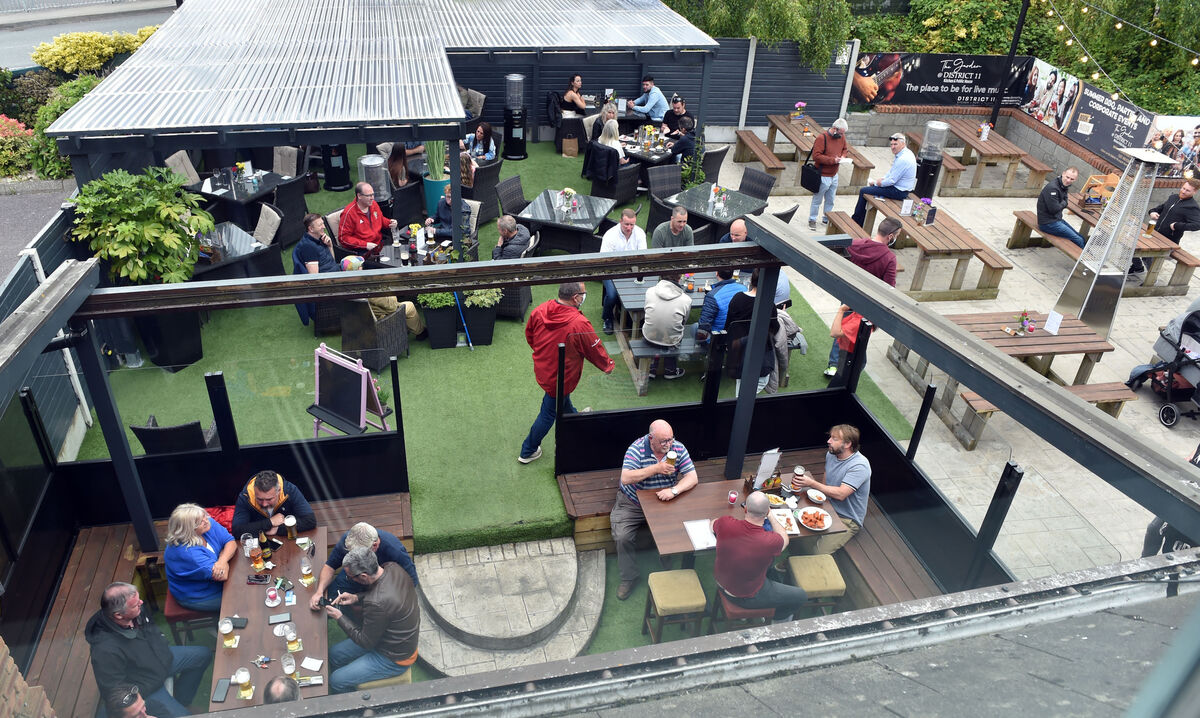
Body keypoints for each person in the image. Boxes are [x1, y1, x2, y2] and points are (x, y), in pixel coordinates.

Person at [518, 282, 614, 463]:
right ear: (575, 298)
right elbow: (593, 347)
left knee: (562, 401)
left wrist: (543, 354)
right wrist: (607, 365)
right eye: (584, 293)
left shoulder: (540, 310)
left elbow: (530, 335)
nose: (585, 296)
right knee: (548, 412)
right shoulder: (579, 323)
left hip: (545, 368)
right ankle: (528, 450)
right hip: (562, 375)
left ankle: (576, 420)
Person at [86, 583, 211, 718]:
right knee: (184, 716)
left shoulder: (137, 609)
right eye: (135, 605)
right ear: (118, 615)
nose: (141, 603)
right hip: (147, 686)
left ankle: (182, 702)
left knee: (203, 655)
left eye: (139, 600)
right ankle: (180, 710)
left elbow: (154, 631)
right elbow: (114, 690)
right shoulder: (105, 650)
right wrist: (140, 695)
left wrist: (162, 645)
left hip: (163, 658)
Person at [611, 419, 698, 599]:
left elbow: (692, 477)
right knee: (622, 537)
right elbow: (626, 478)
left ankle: (667, 561)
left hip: (662, 502)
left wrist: (674, 490)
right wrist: (657, 468)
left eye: (670, 439)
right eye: (663, 441)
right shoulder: (637, 449)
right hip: (633, 502)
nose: (668, 444)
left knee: (674, 532)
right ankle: (629, 577)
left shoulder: (677, 449)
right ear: (651, 438)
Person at [322, 547, 420, 693]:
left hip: (395, 657)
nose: (348, 579)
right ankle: (350, 675)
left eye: (350, 577)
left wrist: (339, 617)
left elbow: (365, 641)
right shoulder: (393, 567)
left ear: (363, 576)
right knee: (334, 654)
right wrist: (356, 597)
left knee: (336, 680)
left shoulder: (376, 603)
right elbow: (380, 593)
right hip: (390, 638)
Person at [712, 491, 809, 622]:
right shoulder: (770, 541)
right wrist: (771, 516)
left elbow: (712, 524)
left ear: (745, 508)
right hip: (744, 596)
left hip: (720, 581)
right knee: (801, 596)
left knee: (770, 561)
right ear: (766, 512)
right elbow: (784, 539)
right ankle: (777, 619)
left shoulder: (725, 523)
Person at [793, 424, 871, 554]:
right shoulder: (832, 454)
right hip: (828, 506)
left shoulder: (859, 466)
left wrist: (812, 483)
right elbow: (826, 473)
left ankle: (795, 564)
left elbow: (841, 494)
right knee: (798, 528)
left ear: (847, 444)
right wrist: (820, 497)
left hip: (847, 518)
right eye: (830, 437)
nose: (828, 441)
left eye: (834, 439)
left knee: (818, 553)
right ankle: (791, 561)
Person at [311, 521, 418, 609]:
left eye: (358, 554)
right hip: (352, 575)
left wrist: (361, 597)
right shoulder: (349, 541)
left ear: (375, 546)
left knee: (370, 612)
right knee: (329, 600)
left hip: (381, 585)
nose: (353, 555)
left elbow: (411, 582)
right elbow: (330, 566)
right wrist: (319, 591)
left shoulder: (395, 551)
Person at [163, 503, 236, 612]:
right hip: (199, 596)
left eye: (204, 517)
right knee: (239, 600)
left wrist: (221, 560)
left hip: (213, 581)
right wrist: (223, 554)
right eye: (200, 522)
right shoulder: (188, 554)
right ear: (189, 529)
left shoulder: (207, 525)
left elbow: (230, 541)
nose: (206, 520)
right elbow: (222, 575)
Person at [725, 268, 779, 395]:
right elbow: (774, 329)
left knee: (744, 382)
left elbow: (728, 325)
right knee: (753, 384)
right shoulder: (768, 304)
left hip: (738, 352)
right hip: (757, 351)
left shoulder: (738, 298)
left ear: (751, 280)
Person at [340, 260, 426, 337]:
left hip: (360, 321)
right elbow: (392, 307)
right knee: (410, 306)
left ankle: (408, 328)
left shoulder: (348, 285)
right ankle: (421, 333)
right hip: (380, 321)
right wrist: (389, 290)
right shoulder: (372, 290)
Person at [717, 218, 791, 305]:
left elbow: (758, 265)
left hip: (751, 277)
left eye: (737, 235)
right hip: (732, 276)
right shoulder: (725, 241)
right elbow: (722, 263)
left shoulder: (755, 241)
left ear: (746, 233)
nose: (733, 238)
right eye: (731, 234)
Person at [850, 133, 916, 227]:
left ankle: (856, 222)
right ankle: (859, 220)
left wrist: (876, 183)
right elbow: (892, 173)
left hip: (899, 191)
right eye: (891, 145)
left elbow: (891, 181)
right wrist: (882, 179)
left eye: (895, 144)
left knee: (864, 191)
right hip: (900, 188)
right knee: (871, 189)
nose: (892, 147)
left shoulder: (903, 159)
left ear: (903, 144)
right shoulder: (906, 153)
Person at [599, 209, 647, 335]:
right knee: (612, 294)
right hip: (610, 271)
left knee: (643, 291)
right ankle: (607, 318)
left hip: (632, 271)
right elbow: (604, 261)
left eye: (632, 224)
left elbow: (642, 256)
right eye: (626, 224)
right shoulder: (610, 235)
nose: (629, 228)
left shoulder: (640, 233)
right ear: (620, 221)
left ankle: (634, 320)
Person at [231, 469, 317, 537]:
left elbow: (310, 521)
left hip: (287, 539)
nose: (264, 504)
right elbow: (237, 530)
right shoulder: (245, 496)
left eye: (269, 499)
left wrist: (279, 529)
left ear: (278, 491)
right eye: (259, 499)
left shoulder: (290, 490)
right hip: (259, 545)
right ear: (254, 490)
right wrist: (270, 522)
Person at [642, 273, 691, 380]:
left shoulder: (649, 291)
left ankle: (652, 367)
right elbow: (684, 322)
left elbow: (646, 311)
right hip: (671, 340)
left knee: (657, 327)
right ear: (679, 279)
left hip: (649, 336)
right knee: (675, 332)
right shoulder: (686, 300)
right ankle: (670, 370)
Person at [809, 118, 849, 230]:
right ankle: (812, 219)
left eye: (843, 134)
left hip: (834, 174)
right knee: (817, 199)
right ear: (835, 129)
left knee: (830, 199)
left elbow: (845, 149)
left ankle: (827, 218)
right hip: (823, 174)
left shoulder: (842, 136)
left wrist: (843, 157)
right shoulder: (822, 138)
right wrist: (833, 160)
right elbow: (816, 156)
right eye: (841, 133)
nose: (842, 136)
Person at [339, 182, 397, 254]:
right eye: (369, 196)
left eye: (372, 194)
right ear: (359, 196)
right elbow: (343, 238)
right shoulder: (348, 213)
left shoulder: (374, 204)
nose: (372, 198)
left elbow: (380, 219)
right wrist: (365, 245)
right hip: (362, 250)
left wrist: (389, 222)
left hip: (379, 244)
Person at [1036, 166, 1086, 249]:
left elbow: (1064, 201)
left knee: (1081, 238)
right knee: (1078, 240)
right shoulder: (1053, 188)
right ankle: (1084, 260)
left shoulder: (1063, 185)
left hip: (1056, 220)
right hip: (1047, 223)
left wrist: (1062, 203)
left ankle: (1086, 255)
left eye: (1072, 179)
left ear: (1075, 179)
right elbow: (1054, 209)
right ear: (1063, 174)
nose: (1068, 180)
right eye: (1067, 177)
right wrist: (1064, 203)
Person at [696, 268, 744, 340]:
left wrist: (701, 337)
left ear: (717, 273)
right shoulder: (744, 289)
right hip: (739, 334)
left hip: (718, 338)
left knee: (693, 327)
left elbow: (704, 324)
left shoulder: (712, 296)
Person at [1147, 178, 1200, 243]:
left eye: (1187, 191)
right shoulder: (1173, 197)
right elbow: (1160, 208)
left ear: (1194, 192)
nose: (1183, 192)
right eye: (1183, 188)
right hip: (1154, 233)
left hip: (1169, 241)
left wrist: (1177, 225)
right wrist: (1152, 212)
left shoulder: (1192, 207)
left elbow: (1197, 225)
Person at [824, 304, 868, 379]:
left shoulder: (858, 321)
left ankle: (836, 368)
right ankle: (835, 366)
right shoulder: (857, 316)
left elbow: (835, 333)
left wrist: (841, 310)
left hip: (851, 356)